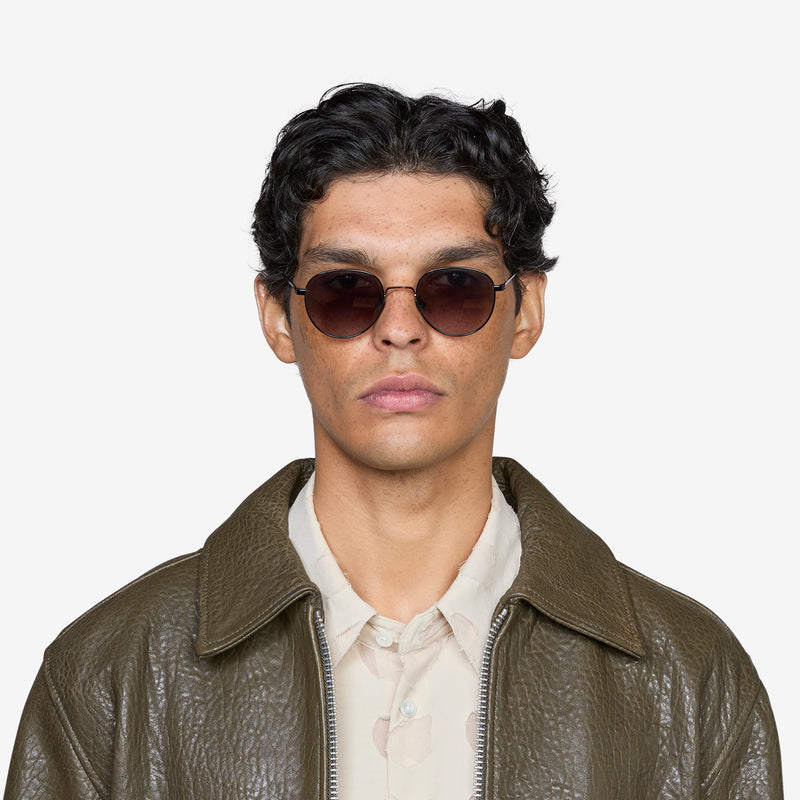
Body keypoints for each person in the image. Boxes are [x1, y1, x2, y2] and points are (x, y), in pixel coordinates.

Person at [4, 83, 782, 800]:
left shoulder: (692, 680)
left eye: (455, 288)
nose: (400, 330)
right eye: (346, 291)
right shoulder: (108, 678)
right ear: (278, 317)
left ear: (527, 311)